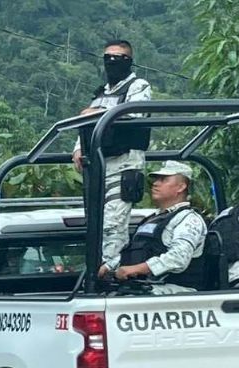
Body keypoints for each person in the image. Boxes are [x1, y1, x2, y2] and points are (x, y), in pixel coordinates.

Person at [71, 39, 153, 280]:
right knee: (96, 218)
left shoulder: (138, 86)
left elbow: (133, 113)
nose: (112, 63)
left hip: (126, 160)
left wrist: (96, 114)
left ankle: (111, 268)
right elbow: (84, 126)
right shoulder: (100, 93)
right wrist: (78, 148)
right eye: (108, 58)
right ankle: (98, 263)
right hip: (99, 162)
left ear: (129, 61)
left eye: (118, 58)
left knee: (115, 218)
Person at [102, 161, 207, 295]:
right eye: (156, 179)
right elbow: (136, 251)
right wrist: (108, 267)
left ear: (181, 187)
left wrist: (137, 269)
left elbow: (178, 258)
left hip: (178, 293)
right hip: (147, 288)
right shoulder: (151, 219)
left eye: (163, 180)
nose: (156, 183)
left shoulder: (188, 219)